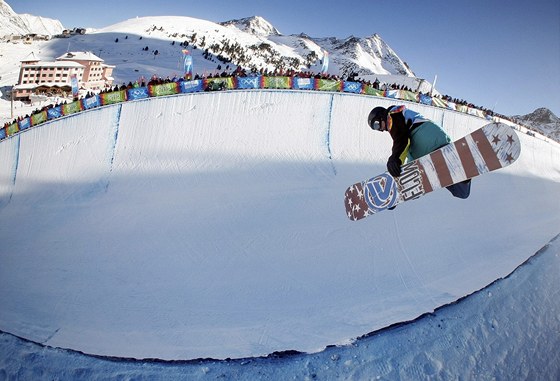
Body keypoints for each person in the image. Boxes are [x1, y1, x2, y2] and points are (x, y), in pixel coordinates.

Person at [367, 105, 471, 199]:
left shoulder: (393, 114)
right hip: (431, 143)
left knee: (408, 168)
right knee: (461, 193)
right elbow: (405, 145)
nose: (381, 130)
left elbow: (402, 140)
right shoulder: (399, 122)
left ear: (381, 116)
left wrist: (394, 159)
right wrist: (398, 194)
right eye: (376, 129)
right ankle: (464, 172)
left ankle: (404, 183)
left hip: (426, 139)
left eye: (377, 125)